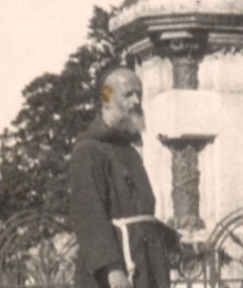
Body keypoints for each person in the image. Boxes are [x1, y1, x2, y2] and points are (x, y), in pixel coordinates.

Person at [69, 67, 177, 288]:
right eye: (129, 94)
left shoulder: (128, 151)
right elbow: (89, 216)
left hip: (145, 265)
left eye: (139, 94)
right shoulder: (88, 150)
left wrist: (172, 240)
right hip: (113, 272)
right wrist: (112, 268)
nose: (137, 101)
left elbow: (140, 215)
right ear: (107, 98)